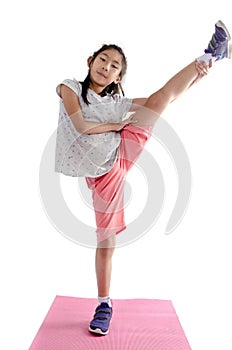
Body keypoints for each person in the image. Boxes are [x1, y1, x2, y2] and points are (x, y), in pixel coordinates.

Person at [55, 20, 231, 336]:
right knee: (106, 241)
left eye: (114, 66)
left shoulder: (115, 104)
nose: (106, 68)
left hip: (120, 152)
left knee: (159, 99)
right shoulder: (68, 87)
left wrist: (198, 76)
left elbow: (163, 100)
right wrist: (117, 126)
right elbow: (80, 125)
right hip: (101, 175)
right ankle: (105, 303)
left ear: (118, 77)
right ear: (90, 61)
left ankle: (211, 55)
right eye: (103, 60)